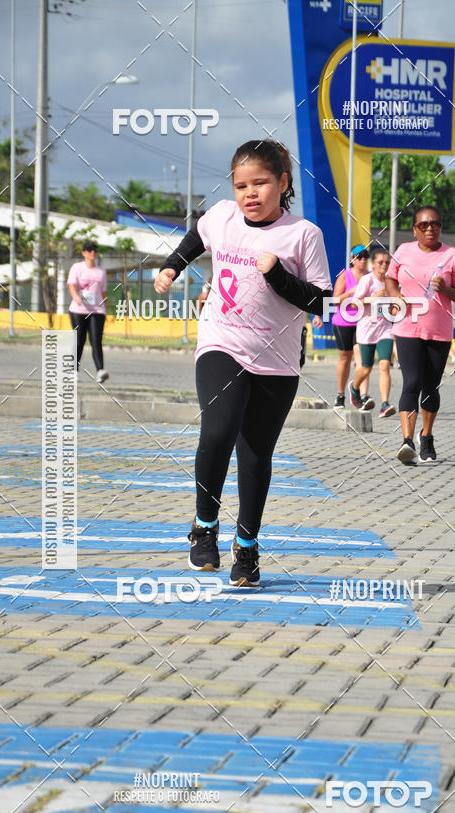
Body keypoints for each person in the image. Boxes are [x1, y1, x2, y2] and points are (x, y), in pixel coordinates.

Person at [154, 139, 332, 587]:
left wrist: (276, 275)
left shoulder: (303, 234)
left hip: (277, 361)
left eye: (260, 183)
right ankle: (204, 526)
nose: (249, 193)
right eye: (240, 185)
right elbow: (198, 236)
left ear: (283, 182)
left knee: (255, 457)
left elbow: (319, 303)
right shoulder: (223, 216)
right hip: (222, 342)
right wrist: (172, 266)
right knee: (217, 431)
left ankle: (247, 549)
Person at [385, 205, 455, 464]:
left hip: (439, 331)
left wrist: (446, 289)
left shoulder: (452, 255)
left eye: (435, 224)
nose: (430, 228)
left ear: (441, 227)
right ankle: (407, 441)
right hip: (407, 327)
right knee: (411, 382)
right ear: (414, 229)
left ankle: (427, 437)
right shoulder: (403, 251)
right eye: (424, 225)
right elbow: (390, 278)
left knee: (430, 387)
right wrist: (394, 295)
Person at [313, 245, 370, 410]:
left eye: (366, 256)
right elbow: (334, 300)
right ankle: (340, 395)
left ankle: (362, 395)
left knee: (363, 359)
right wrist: (351, 291)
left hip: (363, 323)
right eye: (360, 257)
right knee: (345, 358)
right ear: (352, 259)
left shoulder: (369, 276)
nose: (363, 260)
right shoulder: (345, 276)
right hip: (343, 322)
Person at [347, 248, 396, 417]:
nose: (384, 265)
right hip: (367, 329)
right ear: (373, 264)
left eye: (387, 262)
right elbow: (354, 304)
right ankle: (354, 388)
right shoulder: (368, 280)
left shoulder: (391, 282)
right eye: (380, 262)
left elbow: (393, 305)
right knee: (366, 369)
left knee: (384, 365)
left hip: (385, 328)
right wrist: (372, 298)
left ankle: (384, 404)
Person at [67, 240, 109, 383]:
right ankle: (73, 370)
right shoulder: (77, 268)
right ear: (84, 252)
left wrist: (105, 308)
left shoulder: (101, 271)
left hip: (97, 310)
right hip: (78, 310)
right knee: (79, 340)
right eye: (90, 250)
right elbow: (72, 285)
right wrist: (76, 297)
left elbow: (103, 292)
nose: (93, 253)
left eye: (95, 250)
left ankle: (100, 371)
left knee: (96, 340)